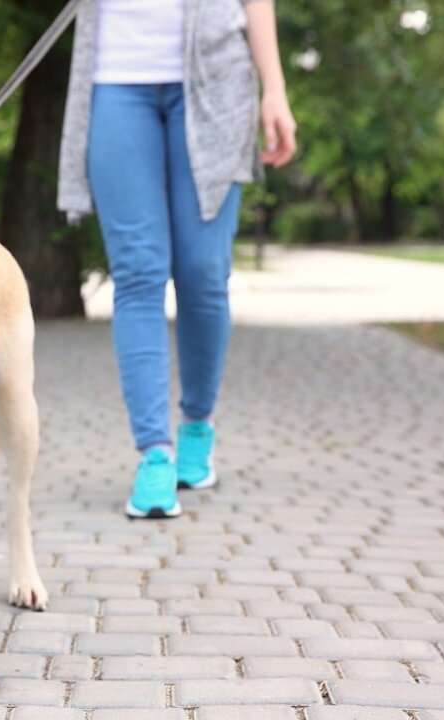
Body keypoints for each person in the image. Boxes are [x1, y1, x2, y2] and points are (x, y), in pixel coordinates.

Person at [57, 0, 296, 518]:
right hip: (116, 81)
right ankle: (154, 453)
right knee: (138, 273)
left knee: (203, 273)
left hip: (217, 81)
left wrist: (274, 88)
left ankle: (197, 424)